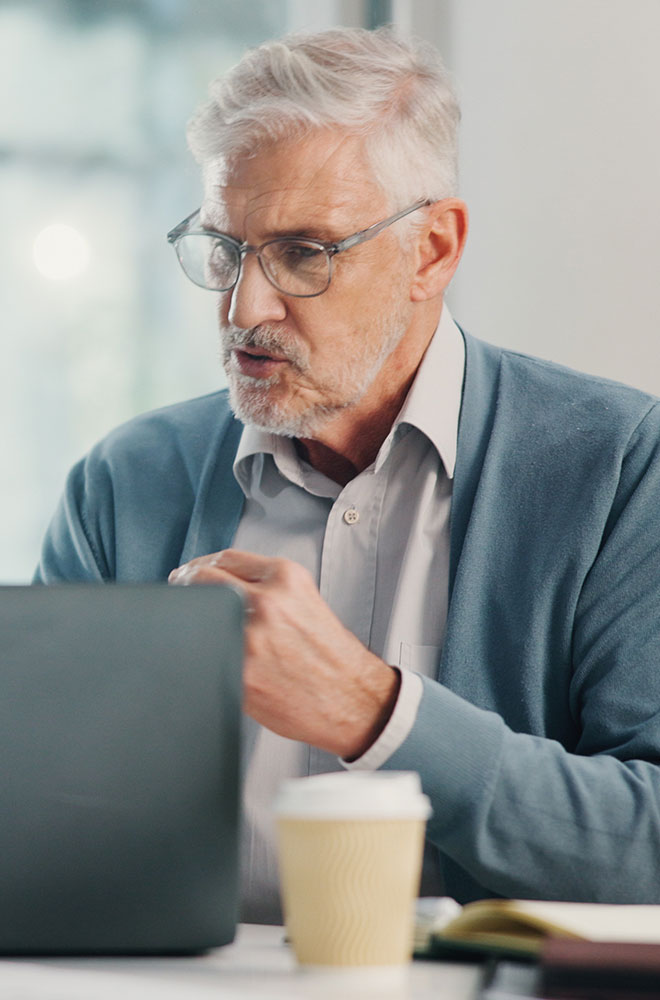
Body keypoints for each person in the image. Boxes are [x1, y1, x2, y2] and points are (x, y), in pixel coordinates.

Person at [37, 27, 660, 921]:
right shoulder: (123, 487)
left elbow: (648, 848)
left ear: (434, 250)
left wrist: (374, 712)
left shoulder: (623, 467)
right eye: (226, 249)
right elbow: (27, 822)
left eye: (303, 254)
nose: (245, 308)